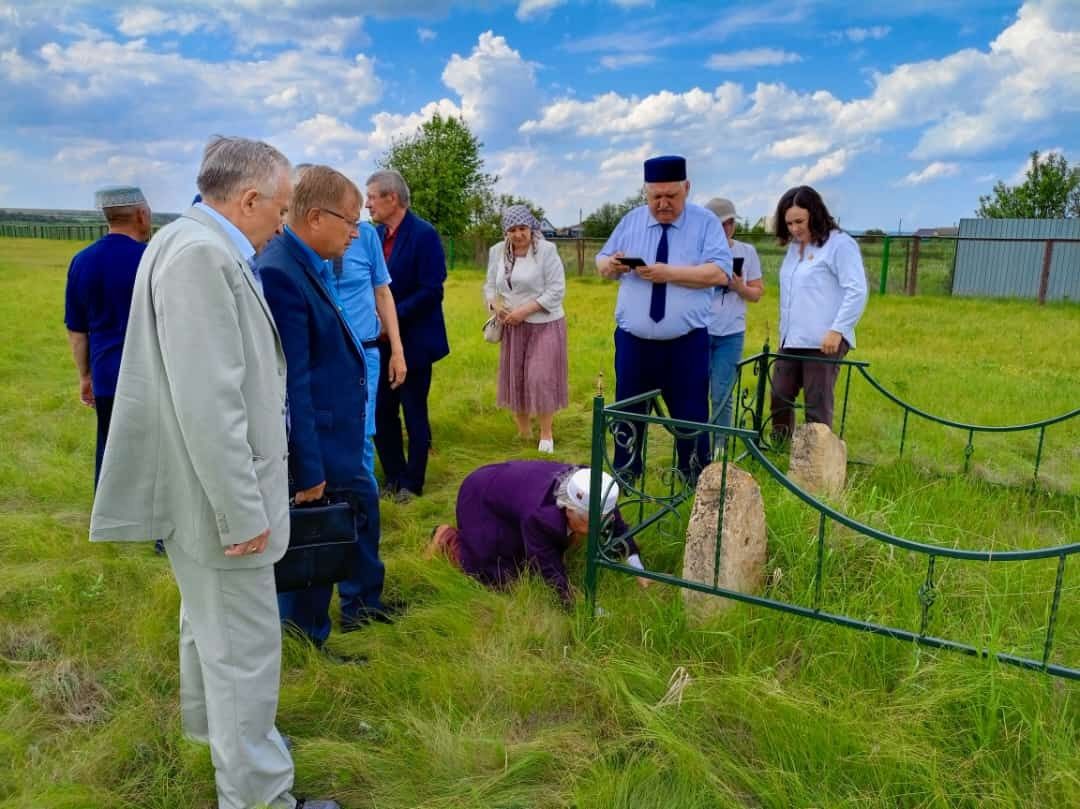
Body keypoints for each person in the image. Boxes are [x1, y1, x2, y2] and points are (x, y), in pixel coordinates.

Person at [90, 137, 341, 809]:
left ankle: (217, 739)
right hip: (217, 501)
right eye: (281, 208)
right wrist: (242, 512)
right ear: (249, 198)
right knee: (245, 650)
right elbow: (210, 403)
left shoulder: (193, 244)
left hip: (203, 494)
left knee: (210, 630)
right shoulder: (202, 255)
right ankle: (260, 796)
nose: (283, 223)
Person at [257, 165, 394, 643]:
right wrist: (308, 469)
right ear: (316, 217)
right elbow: (291, 383)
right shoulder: (280, 272)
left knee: (361, 513)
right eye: (350, 221)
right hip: (318, 443)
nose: (357, 233)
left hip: (341, 434)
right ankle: (304, 635)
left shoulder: (306, 262)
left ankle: (362, 604)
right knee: (315, 535)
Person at [596, 155, 733, 481]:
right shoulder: (631, 221)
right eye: (655, 196)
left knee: (691, 414)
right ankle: (626, 475)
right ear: (646, 192)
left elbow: (720, 272)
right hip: (633, 343)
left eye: (671, 196)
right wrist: (610, 265)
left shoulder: (705, 224)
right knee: (628, 411)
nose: (663, 204)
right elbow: (602, 261)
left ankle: (694, 478)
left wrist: (667, 274)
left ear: (686, 188)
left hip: (684, 344)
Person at [427, 461, 646, 604]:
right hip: (482, 497)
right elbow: (548, 569)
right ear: (567, 508)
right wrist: (573, 599)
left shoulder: (595, 493)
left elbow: (617, 528)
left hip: (515, 491)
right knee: (502, 579)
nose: (594, 529)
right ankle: (446, 539)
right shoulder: (541, 517)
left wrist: (638, 570)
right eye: (587, 522)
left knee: (533, 551)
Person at [366, 169, 450, 500]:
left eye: (372, 196)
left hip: (414, 342)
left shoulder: (424, 235)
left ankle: (413, 483)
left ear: (393, 198)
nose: (367, 203)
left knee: (413, 410)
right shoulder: (373, 235)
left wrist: (390, 317)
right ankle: (392, 476)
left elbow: (432, 290)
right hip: (379, 342)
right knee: (381, 412)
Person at [64, 185, 151, 487]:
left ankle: (109, 507)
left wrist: (85, 375)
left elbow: (77, 331)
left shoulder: (82, 260)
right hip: (150, 373)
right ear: (141, 214)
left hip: (106, 373)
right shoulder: (152, 259)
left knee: (109, 443)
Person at [770, 185, 868, 440]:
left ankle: (817, 459)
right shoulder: (794, 248)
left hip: (824, 342)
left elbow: (856, 290)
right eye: (789, 224)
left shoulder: (840, 245)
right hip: (791, 340)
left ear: (815, 213)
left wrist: (837, 331)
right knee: (779, 396)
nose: (794, 229)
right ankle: (780, 452)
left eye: (799, 221)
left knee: (817, 403)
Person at [484, 205, 569, 454]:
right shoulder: (498, 252)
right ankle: (523, 432)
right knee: (517, 378)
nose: (518, 234)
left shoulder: (546, 251)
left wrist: (525, 310)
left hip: (545, 323)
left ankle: (546, 434)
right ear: (505, 231)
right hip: (512, 326)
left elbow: (556, 290)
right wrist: (495, 306)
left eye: (522, 228)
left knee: (540, 377)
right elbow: (490, 286)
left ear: (531, 227)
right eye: (512, 229)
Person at [333, 209, 407, 480]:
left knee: (362, 433)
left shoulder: (365, 236)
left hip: (365, 352)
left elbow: (382, 291)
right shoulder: (296, 240)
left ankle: (364, 511)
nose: (354, 228)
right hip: (322, 353)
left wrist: (397, 351)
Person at [703, 197, 764, 438]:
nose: (727, 228)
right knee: (695, 391)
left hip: (730, 334)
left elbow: (757, 292)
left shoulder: (746, 252)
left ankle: (719, 447)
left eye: (730, 223)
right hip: (700, 330)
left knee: (722, 393)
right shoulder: (698, 251)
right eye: (721, 224)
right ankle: (697, 445)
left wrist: (740, 287)